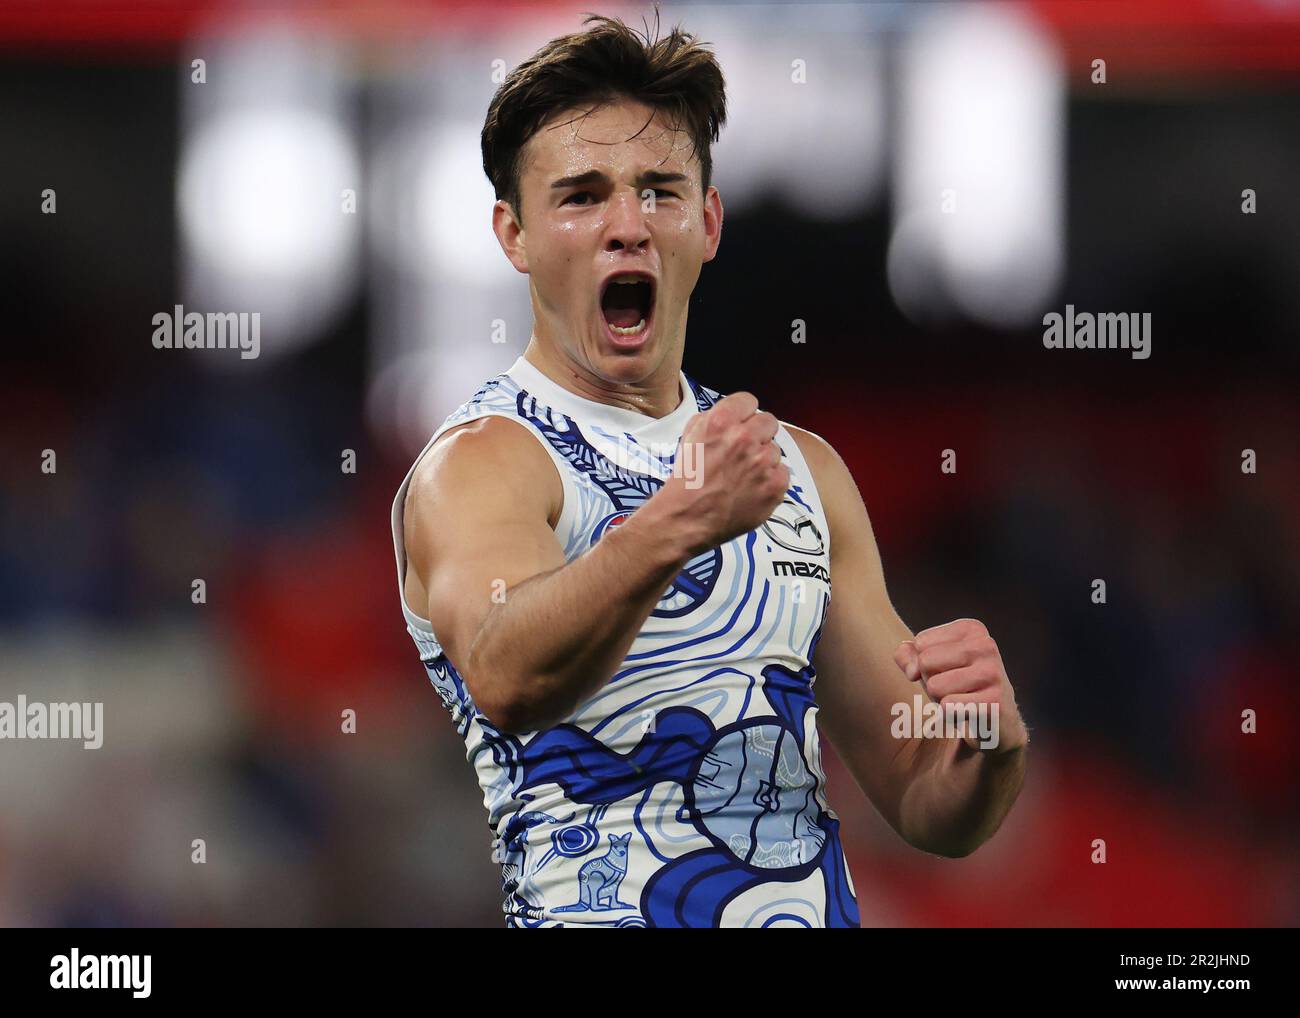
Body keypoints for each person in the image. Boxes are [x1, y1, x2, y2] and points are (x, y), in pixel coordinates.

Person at [390, 13, 1027, 927]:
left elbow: (926, 797)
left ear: (708, 221)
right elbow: (505, 673)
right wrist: (677, 521)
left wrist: (981, 737)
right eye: (580, 196)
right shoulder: (485, 461)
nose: (627, 227)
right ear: (515, 235)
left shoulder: (799, 471)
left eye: (659, 190)